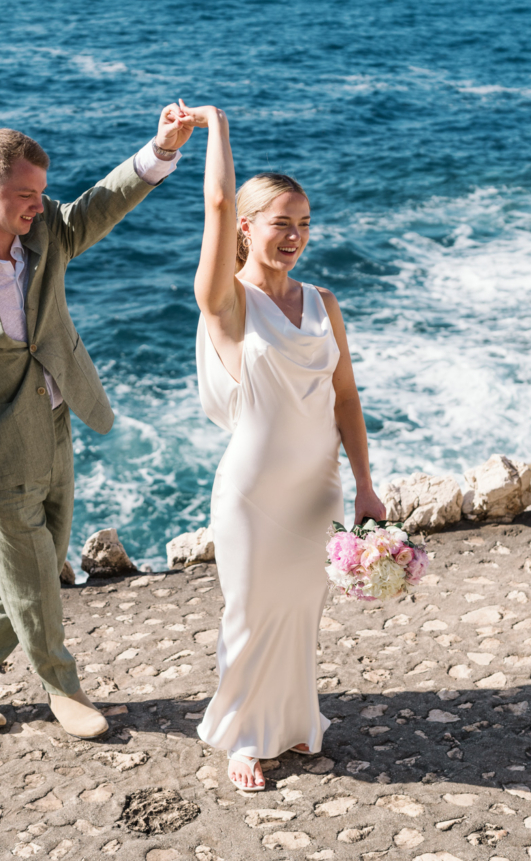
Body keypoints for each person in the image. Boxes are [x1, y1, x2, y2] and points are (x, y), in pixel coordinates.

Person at [0, 109, 195, 740]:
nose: (40, 205)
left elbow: (103, 202)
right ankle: (63, 690)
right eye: (26, 195)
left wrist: (160, 149)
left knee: (40, 564)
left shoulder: (47, 231)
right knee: (36, 576)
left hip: (58, 425)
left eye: (42, 192)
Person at [184, 101, 387, 790]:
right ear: (247, 229)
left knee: (301, 610)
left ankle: (297, 724)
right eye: (281, 223)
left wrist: (364, 484)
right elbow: (214, 202)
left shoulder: (324, 301)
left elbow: (347, 399)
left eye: (304, 223)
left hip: (319, 488)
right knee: (249, 611)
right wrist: (216, 126)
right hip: (253, 492)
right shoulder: (228, 304)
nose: (296, 235)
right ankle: (243, 735)